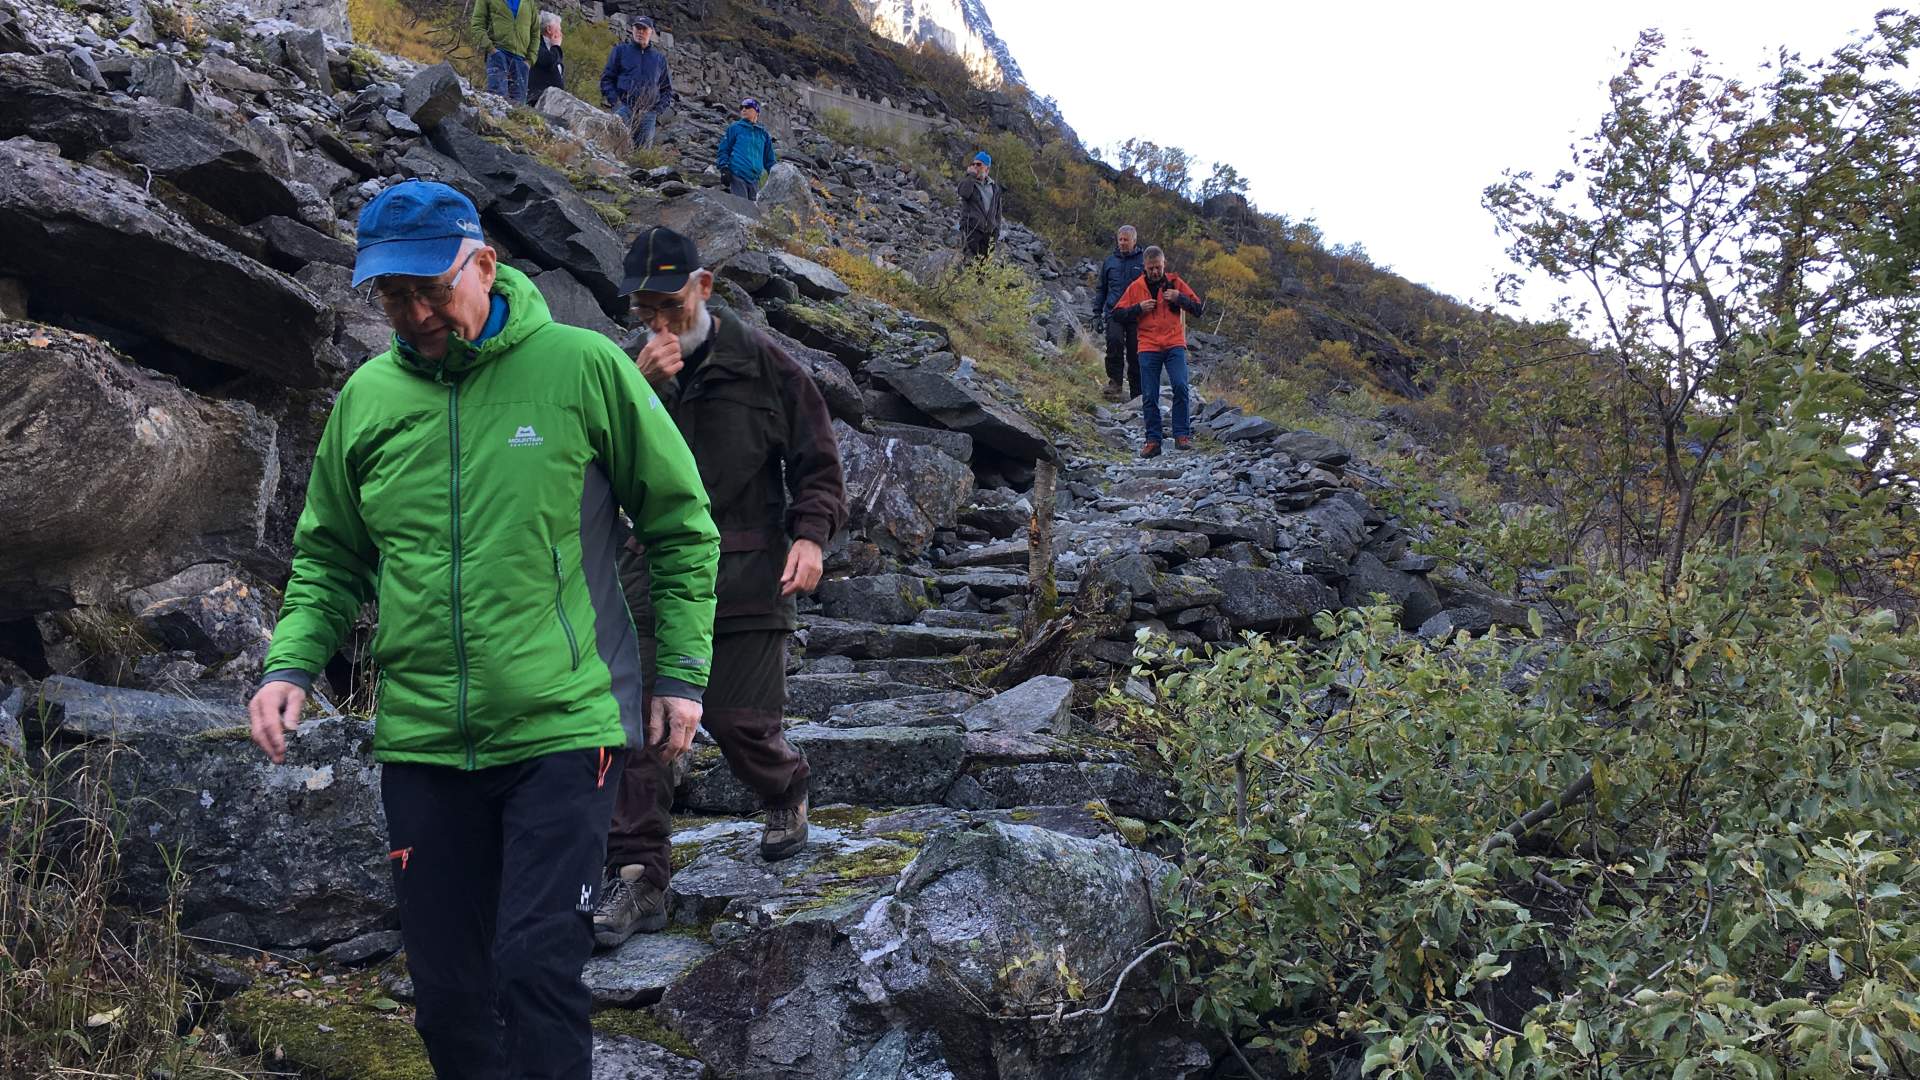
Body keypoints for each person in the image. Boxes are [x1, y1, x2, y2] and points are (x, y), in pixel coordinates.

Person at [248, 181, 719, 1080]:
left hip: (561, 725)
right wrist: (292, 664)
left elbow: (681, 523)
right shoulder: (368, 399)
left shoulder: (583, 366)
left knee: (538, 968)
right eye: (393, 295)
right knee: (449, 996)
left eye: (432, 288)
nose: (417, 312)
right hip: (424, 741)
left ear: (485, 265)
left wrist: (683, 673)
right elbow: (329, 556)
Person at [593, 225, 847, 948]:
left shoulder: (768, 366)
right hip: (651, 575)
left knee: (739, 726)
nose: (659, 323)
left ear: (703, 287)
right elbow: (589, 459)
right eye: (644, 309)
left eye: (669, 304)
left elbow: (817, 460)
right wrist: (638, 388)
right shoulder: (625, 369)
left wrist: (810, 535)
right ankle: (638, 877)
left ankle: (786, 788)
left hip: (748, 572)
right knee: (637, 731)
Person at [1110, 246, 1203, 457]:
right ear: (1144, 266)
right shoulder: (1136, 287)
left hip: (1174, 344)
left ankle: (1182, 436)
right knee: (1150, 395)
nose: (1155, 272)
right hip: (1148, 346)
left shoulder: (1175, 283)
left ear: (1164, 264)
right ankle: (1153, 441)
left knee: (1180, 386)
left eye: (1158, 267)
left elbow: (1198, 308)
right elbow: (1116, 314)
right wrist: (1138, 309)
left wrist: (1180, 298)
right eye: (1151, 268)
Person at [600, 15, 673, 148]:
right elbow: (607, 79)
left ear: (651, 32)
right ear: (632, 30)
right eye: (637, 28)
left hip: (648, 114)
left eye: (644, 29)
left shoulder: (659, 59)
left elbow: (667, 89)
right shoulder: (620, 51)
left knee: (641, 157)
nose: (640, 32)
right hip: (623, 109)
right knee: (614, 148)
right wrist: (615, 102)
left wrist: (657, 110)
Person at [1091, 224, 1145, 402]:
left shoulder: (1143, 261)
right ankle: (1115, 383)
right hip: (1114, 311)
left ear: (1134, 241)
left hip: (1136, 313)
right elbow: (1102, 289)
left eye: (1126, 240)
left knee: (1135, 352)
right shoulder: (1110, 262)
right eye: (1120, 239)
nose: (1122, 243)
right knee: (1114, 344)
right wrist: (1096, 314)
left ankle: (1137, 391)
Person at [469, 0, 535, 104]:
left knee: (519, 107)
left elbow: (535, 32)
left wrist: (529, 61)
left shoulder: (529, 2)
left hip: (521, 61)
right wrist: (491, 49)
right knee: (497, 99)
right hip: (498, 54)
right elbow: (477, 25)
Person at [715, 97, 777, 202]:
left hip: (755, 180)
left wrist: (776, 177)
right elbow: (724, 150)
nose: (743, 109)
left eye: (748, 107)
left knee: (754, 213)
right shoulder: (735, 128)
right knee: (742, 210)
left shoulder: (763, 134)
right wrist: (724, 168)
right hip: (737, 174)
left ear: (756, 111)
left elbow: (769, 160)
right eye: (741, 107)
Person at [955, 150, 1002, 260]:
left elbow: (998, 213)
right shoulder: (968, 182)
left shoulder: (995, 188)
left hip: (988, 235)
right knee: (969, 265)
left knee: (984, 270)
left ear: (987, 168)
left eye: (979, 164)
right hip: (971, 231)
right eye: (973, 164)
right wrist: (970, 175)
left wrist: (996, 232)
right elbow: (964, 193)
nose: (975, 166)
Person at [527, 11, 566, 104]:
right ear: (549, 29)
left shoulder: (551, 49)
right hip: (537, 100)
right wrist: (556, 46)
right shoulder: (536, 44)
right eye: (559, 29)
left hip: (553, 101)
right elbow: (548, 61)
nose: (561, 34)